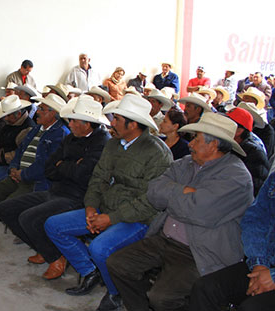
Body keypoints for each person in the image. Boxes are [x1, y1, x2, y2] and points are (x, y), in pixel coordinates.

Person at [107, 112, 254, 311]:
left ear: (213, 145)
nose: (190, 144)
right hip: (165, 238)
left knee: (162, 298)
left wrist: (174, 192)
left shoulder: (236, 177)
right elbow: (154, 191)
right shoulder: (186, 162)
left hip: (199, 250)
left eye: (196, 138)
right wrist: (187, 193)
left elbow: (200, 213)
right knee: (117, 263)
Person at [44, 94, 173, 311]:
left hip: (138, 219)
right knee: (54, 226)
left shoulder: (158, 154)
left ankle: (116, 293)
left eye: (117, 119)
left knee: (100, 248)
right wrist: (91, 207)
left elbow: (149, 201)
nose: (111, 122)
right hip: (106, 208)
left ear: (132, 124)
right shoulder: (113, 145)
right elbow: (98, 178)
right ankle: (90, 271)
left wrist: (110, 219)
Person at [0, 96, 110, 280]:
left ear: (87, 124)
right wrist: (69, 165)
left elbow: (83, 175)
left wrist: (62, 165)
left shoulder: (102, 143)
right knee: (5, 209)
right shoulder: (72, 137)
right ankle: (45, 248)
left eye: (73, 120)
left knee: (29, 217)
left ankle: (55, 258)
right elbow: (49, 168)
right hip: (56, 190)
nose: (69, 124)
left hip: (78, 198)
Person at [189, 172, 275, 311]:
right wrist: (259, 264)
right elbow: (255, 220)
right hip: (265, 261)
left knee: (251, 307)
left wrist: (272, 277)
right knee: (205, 288)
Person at [0, 94, 70, 209]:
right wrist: (13, 168)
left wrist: (23, 175)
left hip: (36, 181)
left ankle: (8, 214)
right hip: (19, 174)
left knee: (9, 205)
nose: (37, 112)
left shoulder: (61, 134)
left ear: (53, 113)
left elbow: (46, 164)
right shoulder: (36, 128)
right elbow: (20, 150)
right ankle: (6, 215)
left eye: (41, 109)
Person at [226, 107, 269, 196]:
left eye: (226, 123)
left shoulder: (254, 153)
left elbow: (254, 187)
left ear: (239, 131)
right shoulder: (226, 143)